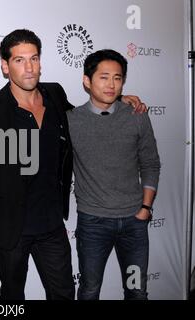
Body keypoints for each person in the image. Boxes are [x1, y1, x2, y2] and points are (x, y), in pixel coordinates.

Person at [0, 29, 146, 300]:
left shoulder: (55, 95)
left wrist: (117, 99)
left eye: (34, 59)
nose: (29, 68)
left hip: (52, 226)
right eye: (19, 60)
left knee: (64, 294)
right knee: (12, 299)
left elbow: (84, 115)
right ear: (5, 66)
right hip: (8, 229)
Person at [67, 49, 160, 300]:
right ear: (87, 81)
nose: (111, 84)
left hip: (134, 223)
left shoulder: (136, 116)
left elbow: (150, 163)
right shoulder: (71, 121)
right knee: (89, 289)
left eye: (117, 78)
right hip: (93, 224)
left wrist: (145, 208)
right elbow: (30, 92)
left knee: (136, 290)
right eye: (104, 77)